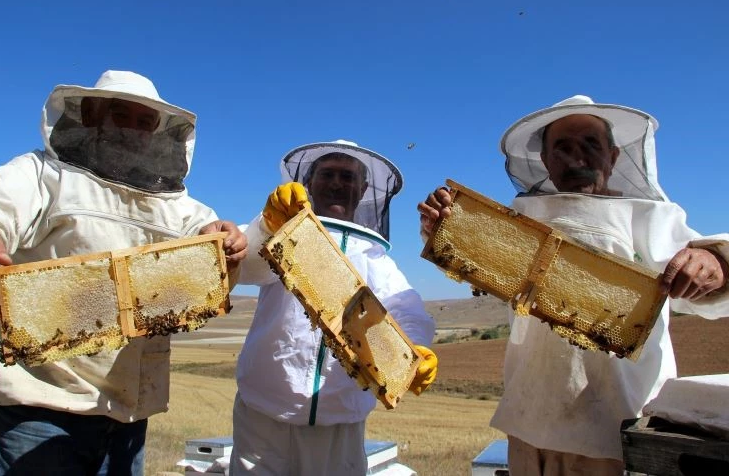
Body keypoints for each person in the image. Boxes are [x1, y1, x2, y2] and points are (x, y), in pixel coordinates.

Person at [0, 70, 247, 475]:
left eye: (145, 122)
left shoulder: (176, 204)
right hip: (43, 404)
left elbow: (208, 242)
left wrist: (223, 241)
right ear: (92, 117)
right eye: (122, 116)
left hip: (128, 414)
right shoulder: (43, 174)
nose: (134, 130)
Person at [418, 95, 729, 476]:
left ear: (613, 157)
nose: (576, 157)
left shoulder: (650, 217)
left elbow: (712, 281)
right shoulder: (520, 216)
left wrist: (715, 262)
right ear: (545, 160)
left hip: (618, 429)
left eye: (590, 145)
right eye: (562, 147)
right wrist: (445, 227)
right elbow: (468, 257)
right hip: (531, 422)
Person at [230, 140, 437, 476]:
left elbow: (406, 308)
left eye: (348, 176)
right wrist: (267, 226)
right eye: (327, 174)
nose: (338, 183)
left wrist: (414, 348)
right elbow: (245, 264)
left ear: (364, 189)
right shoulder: (283, 233)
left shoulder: (374, 258)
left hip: (341, 424)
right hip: (263, 419)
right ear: (309, 183)